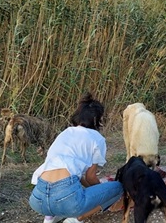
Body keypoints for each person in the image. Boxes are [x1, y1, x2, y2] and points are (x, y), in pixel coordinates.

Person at [29, 92, 123, 223]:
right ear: (98, 120)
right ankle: (77, 218)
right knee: (117, 187)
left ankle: (50, 216)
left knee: (65, 189)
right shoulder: (97, 139)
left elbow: (76, 176)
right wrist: (101, 192)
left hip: (38, 199)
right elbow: (90, 177)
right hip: (67, 199)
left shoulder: (65, 133)